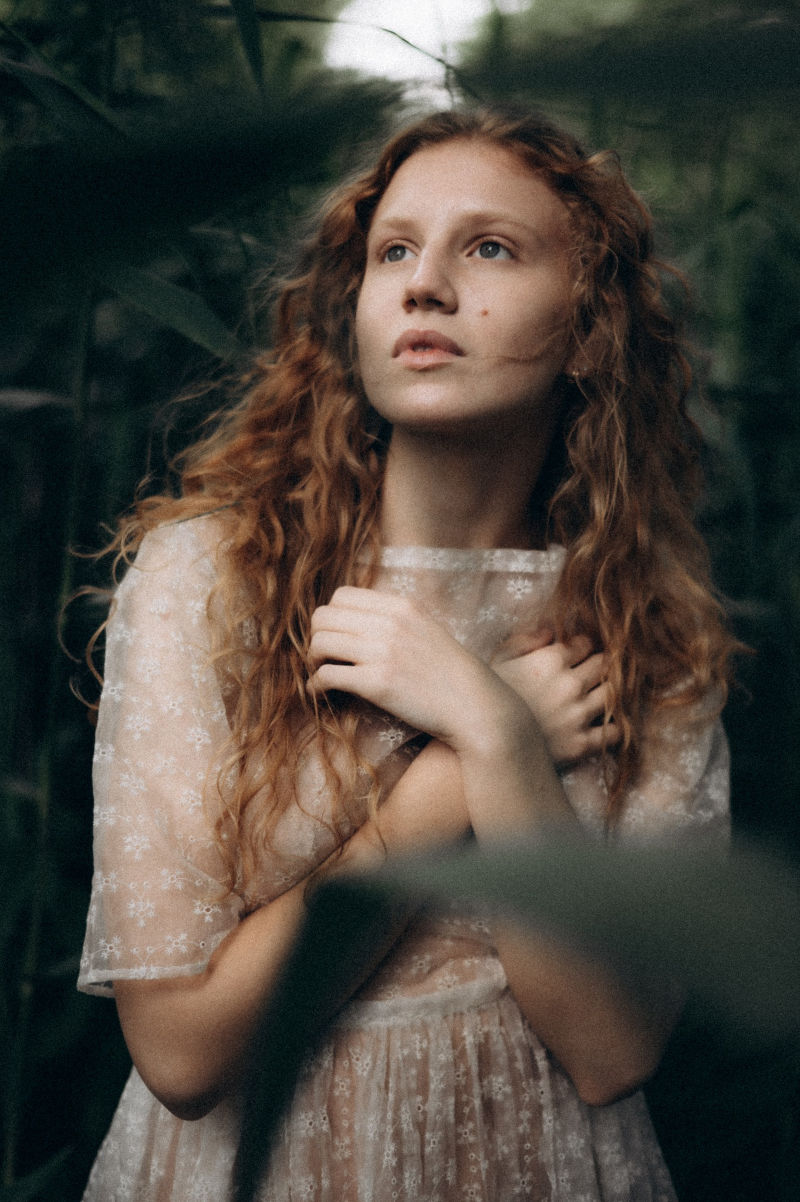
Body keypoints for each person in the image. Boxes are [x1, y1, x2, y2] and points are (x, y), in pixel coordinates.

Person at [78, 107, 735, 1201]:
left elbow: (611, 1049)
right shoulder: (210, 578)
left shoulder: (646, 630)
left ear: (588, 329)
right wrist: (458, 767)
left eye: (489, 247)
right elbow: (183, 1052)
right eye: (394, 251)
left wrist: (490, 727)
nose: (424, 285)